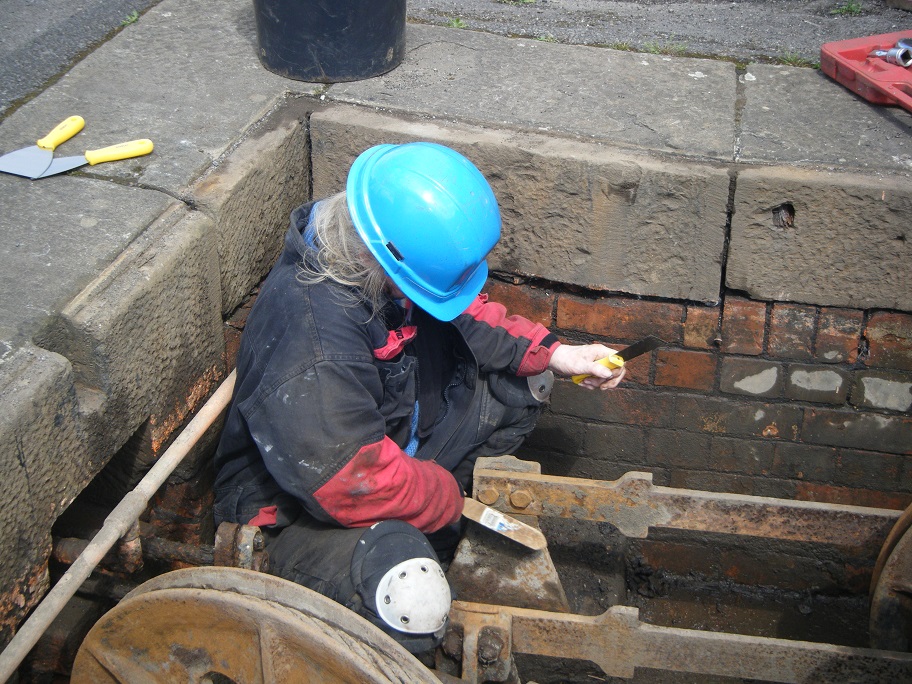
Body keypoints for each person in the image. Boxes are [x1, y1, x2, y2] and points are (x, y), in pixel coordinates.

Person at [213, 142, 625, 653]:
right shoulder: (313, 337)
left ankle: (436, 534)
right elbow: (353, 483)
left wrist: (558, 353)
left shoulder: (376, 262)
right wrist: (447, 499)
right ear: (382, 258)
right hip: (295, 506)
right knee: (409, 597)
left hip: (395, 443)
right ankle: (416, 570)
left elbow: (461, 316)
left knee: (523, 385)